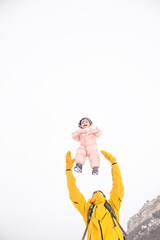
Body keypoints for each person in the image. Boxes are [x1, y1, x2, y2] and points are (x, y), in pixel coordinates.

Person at [65, 150, 125, 240]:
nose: (96, 192)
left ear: (104, 196)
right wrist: (68, 171)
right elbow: (74, 194)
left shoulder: (112, 205)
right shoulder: (87, 209)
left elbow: (118, 186)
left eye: (99, 191)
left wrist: (114, 164)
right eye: (94, 192)